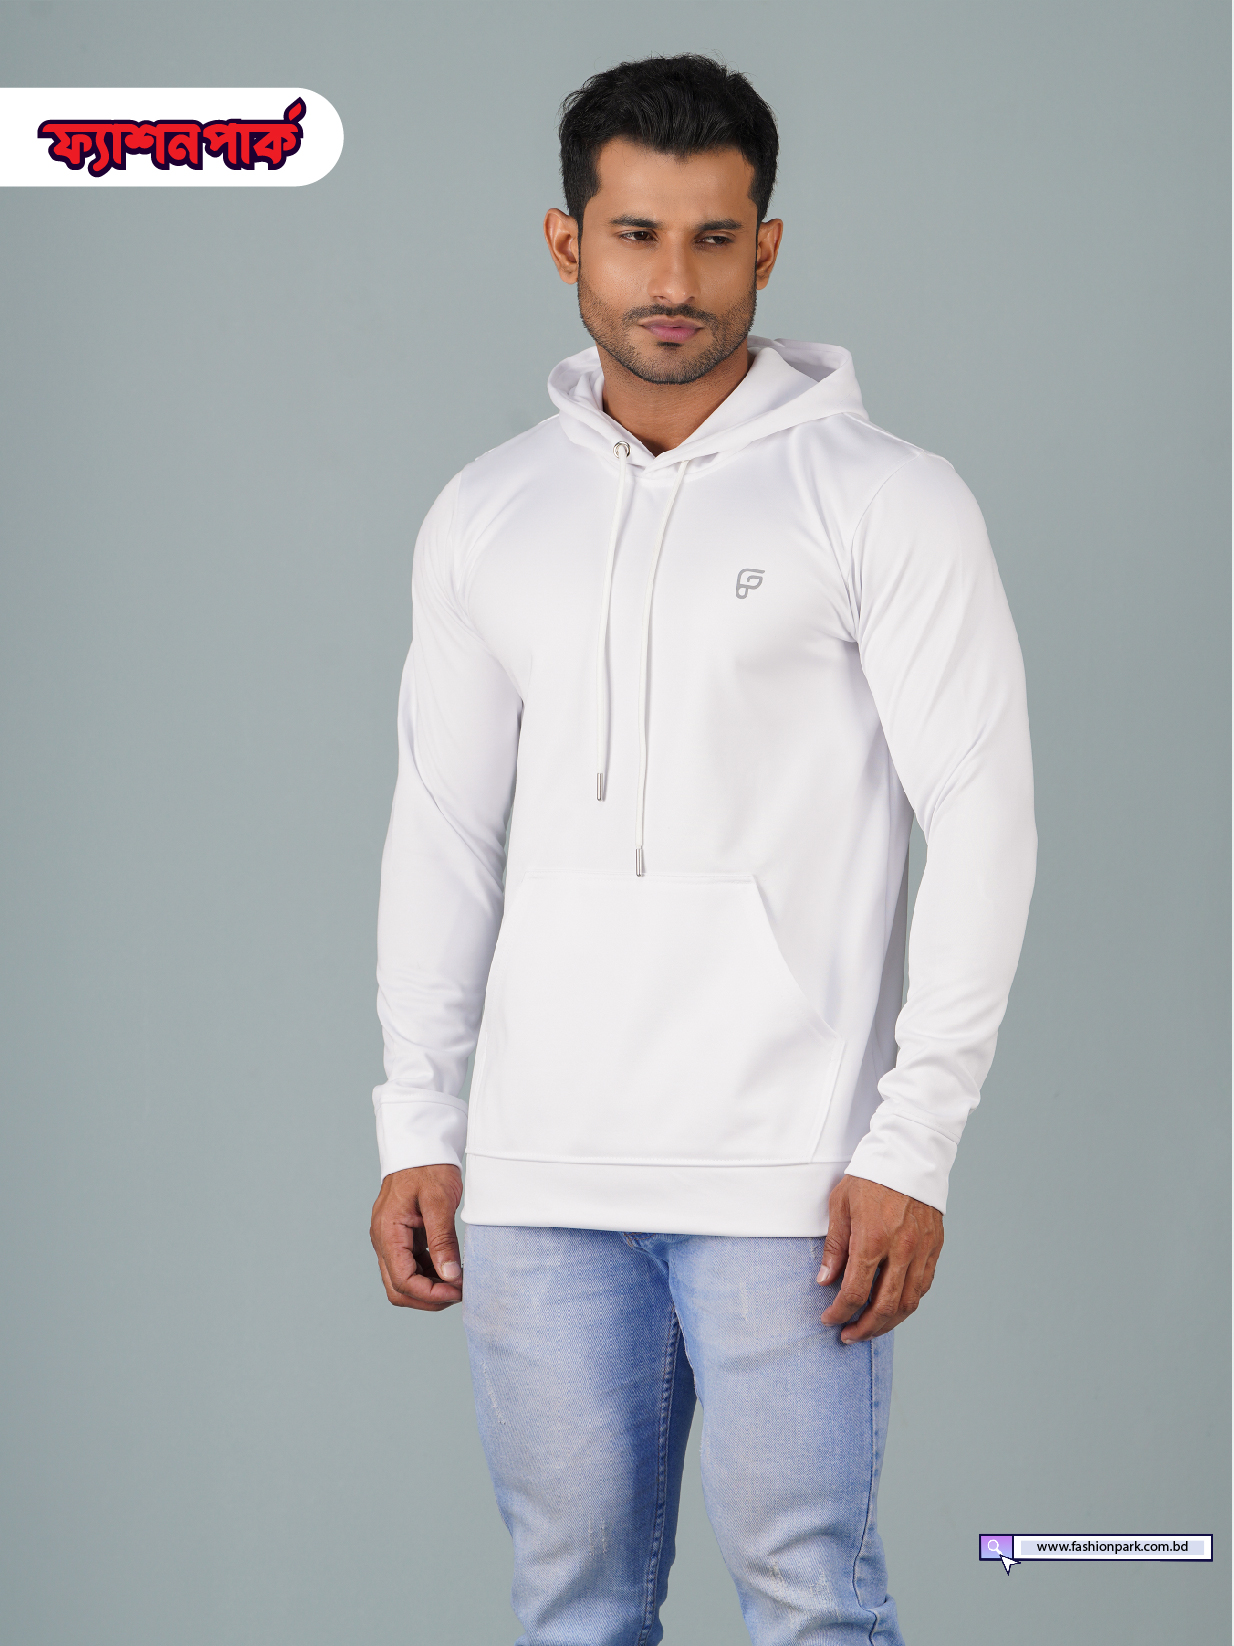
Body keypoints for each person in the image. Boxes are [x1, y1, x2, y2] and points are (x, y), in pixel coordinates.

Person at [368, 53, 1036, 1646]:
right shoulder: (487, 510)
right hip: (535, 1170)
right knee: (570, 1606)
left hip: (786, 1170)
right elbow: (442, 828)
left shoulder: (886, 499)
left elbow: (982, 816)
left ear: (766, 247)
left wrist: (910, 1143)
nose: (673, 280)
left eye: (713, 239)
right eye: (635, 234)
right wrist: (417, 1116)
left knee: (809, 1598)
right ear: (566, 241)